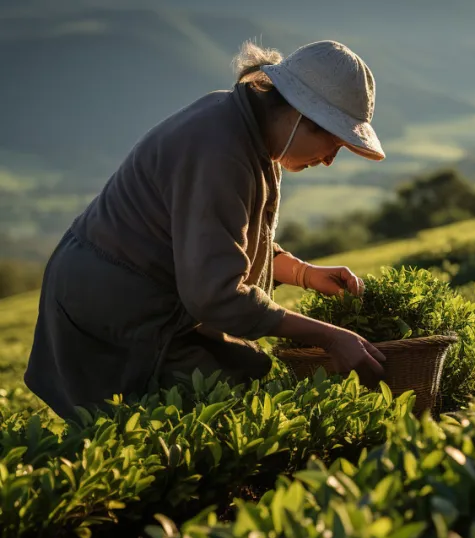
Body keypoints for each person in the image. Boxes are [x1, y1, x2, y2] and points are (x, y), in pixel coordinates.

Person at [24, 39, 390, 420]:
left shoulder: (244, 126)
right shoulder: (220, 150)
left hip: (147, 296)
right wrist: (330, 336)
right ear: (297, 114)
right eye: (331, 140)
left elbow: (221, 238)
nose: (330, 159)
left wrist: (304, 273)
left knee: (236, 392)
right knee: (206, 415)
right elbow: (215, 295)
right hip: (114, 305)